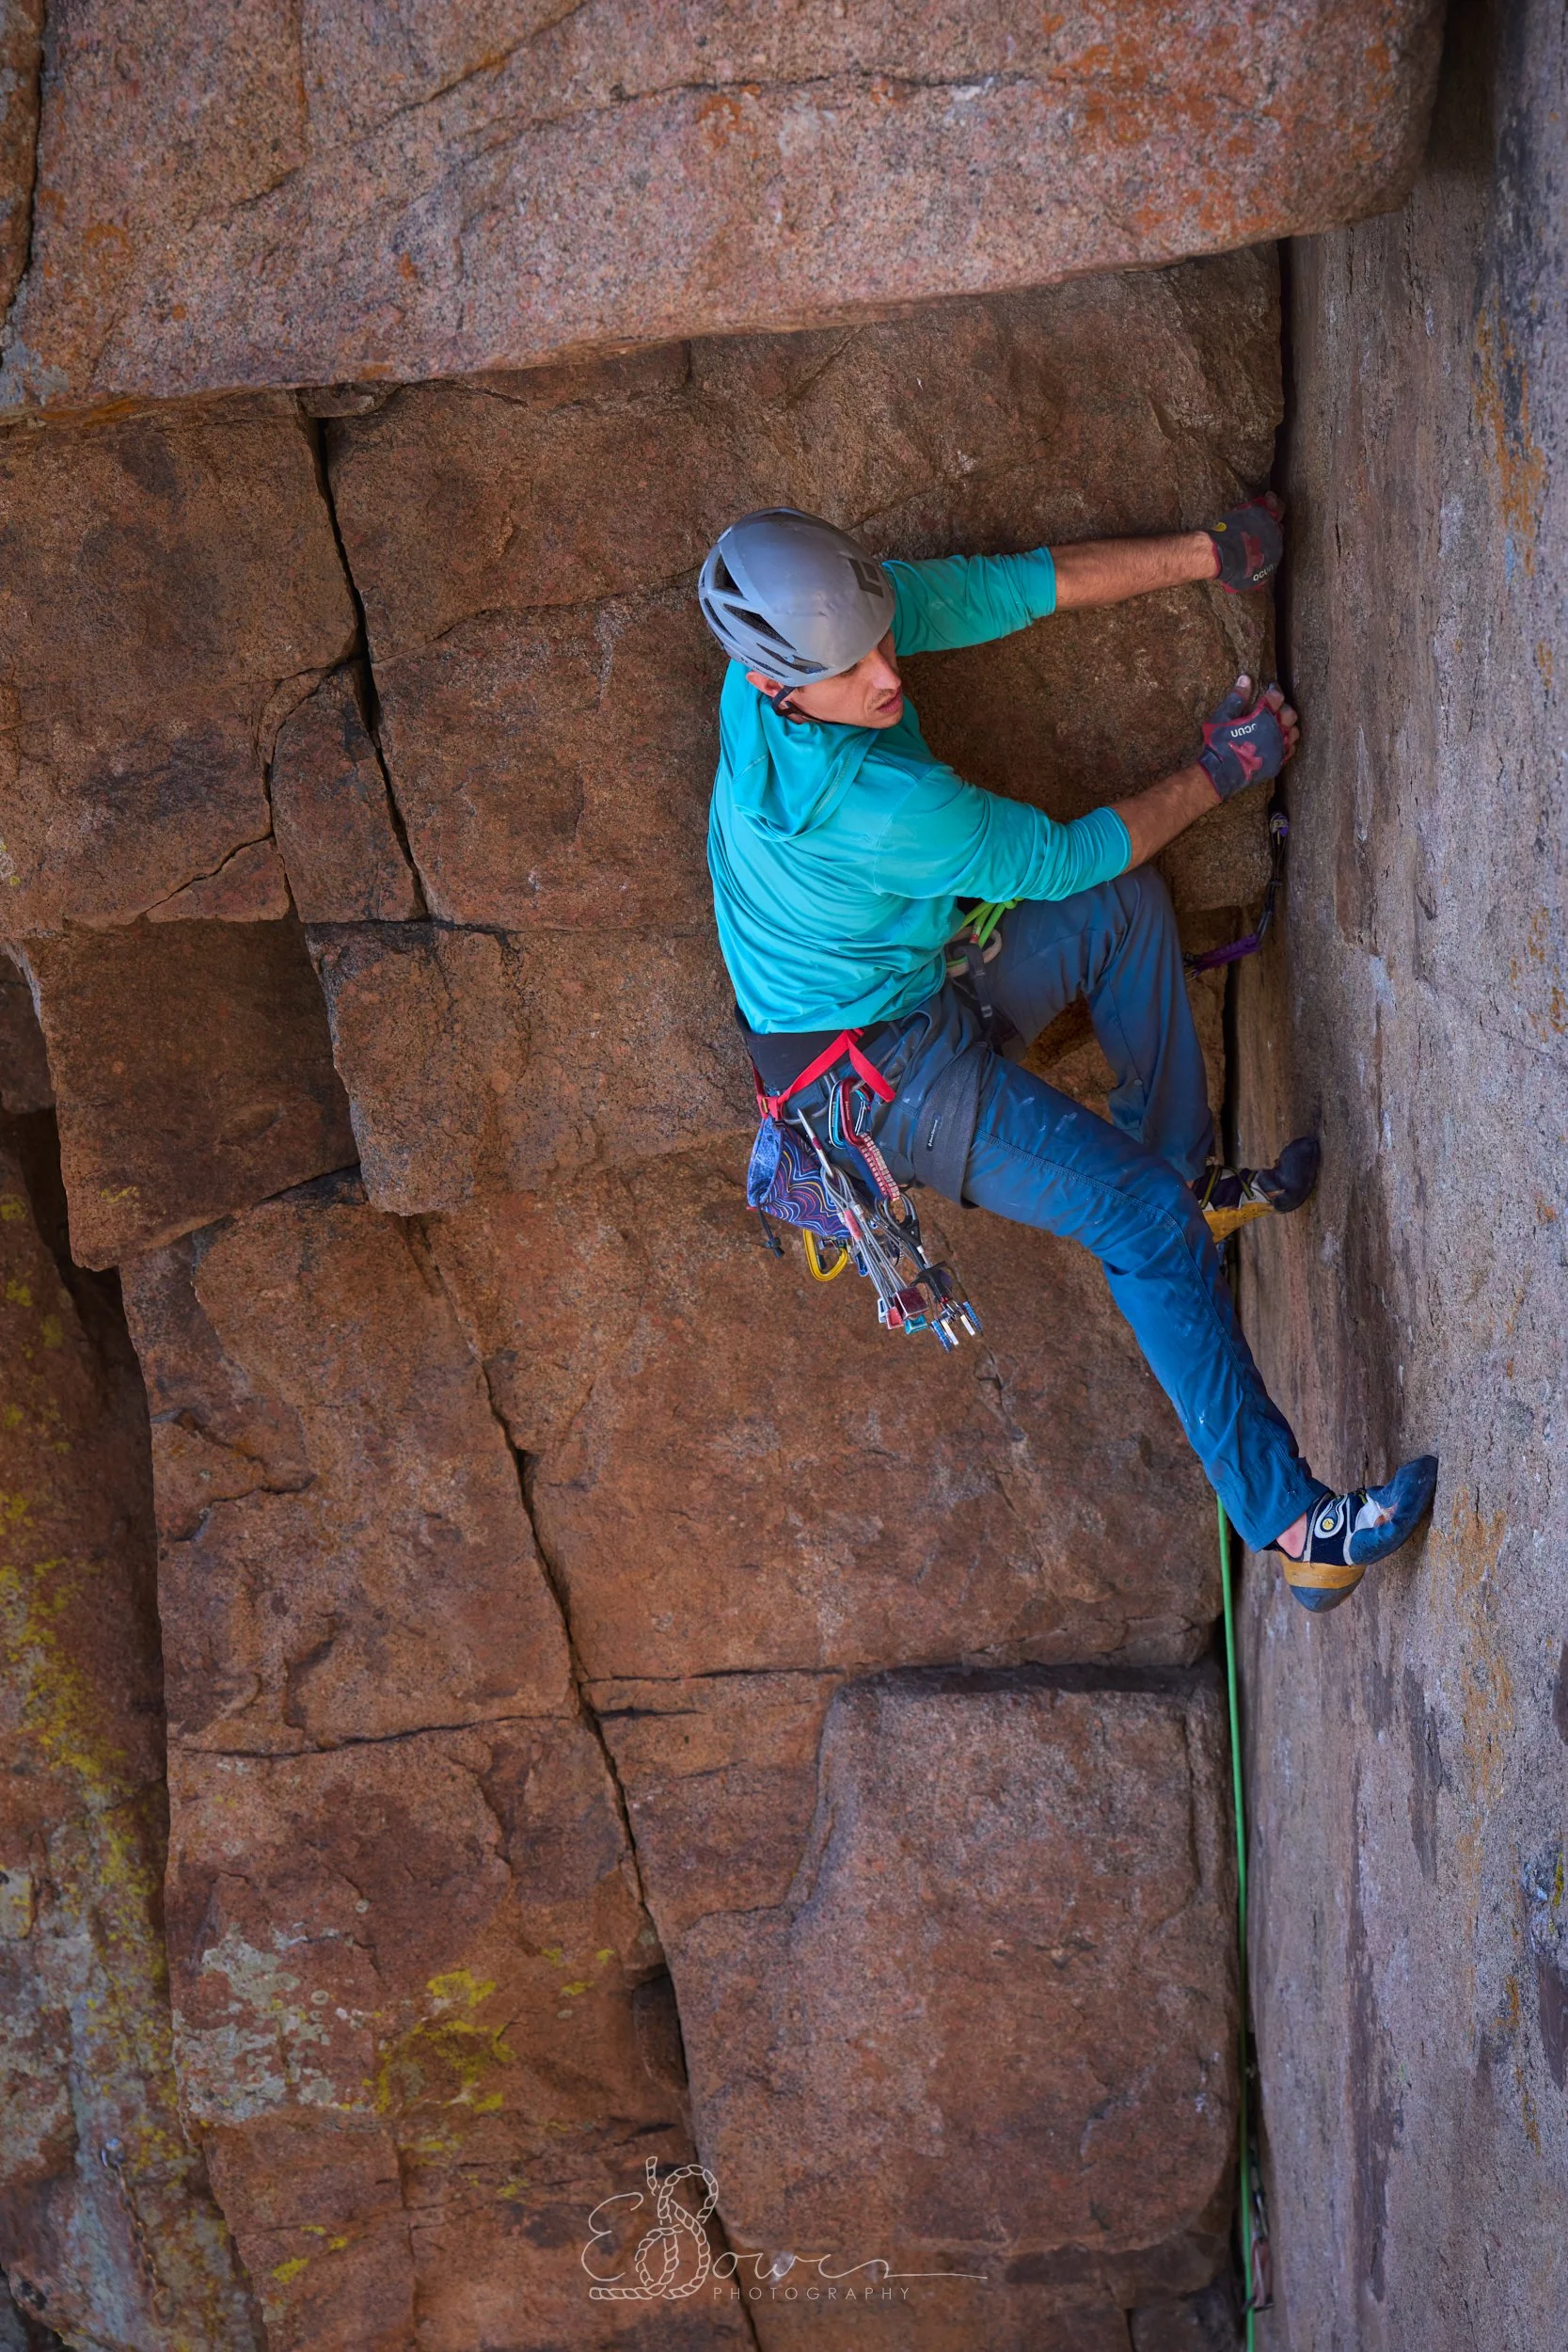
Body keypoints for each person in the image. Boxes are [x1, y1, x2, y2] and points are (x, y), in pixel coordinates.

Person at [699, 505, 1436, 1613]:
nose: (886, 674)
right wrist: (1222, 770)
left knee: (1124, 913)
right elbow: (1061, 851)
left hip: (913, 988)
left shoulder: (799, 647)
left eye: (881, 638)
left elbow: (1008, 585)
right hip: (880, 1083)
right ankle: (1295, 1530)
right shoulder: (877, 807)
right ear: (775, 688)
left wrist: (1209, 555)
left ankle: (1188, 1181)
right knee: (1134, 1217)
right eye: (849, 671)